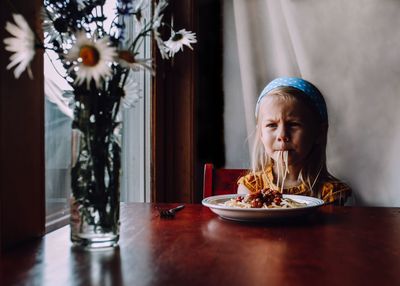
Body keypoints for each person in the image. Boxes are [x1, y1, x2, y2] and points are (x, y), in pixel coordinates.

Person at [237, 76, 351, 205]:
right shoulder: (251, 187)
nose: (282, 135)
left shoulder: (331, 193)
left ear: (319, 132)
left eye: (293, 124)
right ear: (261, 134)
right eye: (272, 125)